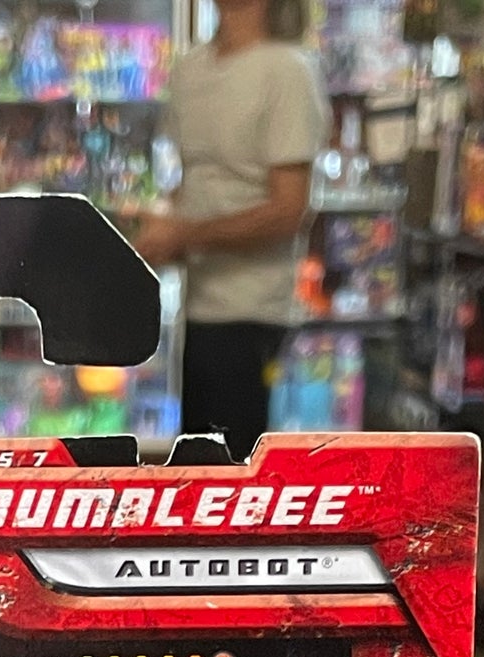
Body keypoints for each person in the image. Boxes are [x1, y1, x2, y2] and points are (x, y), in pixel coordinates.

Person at [137, 0, 331, 459]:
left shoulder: (287, 71)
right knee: (198, 467)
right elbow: (195, 185)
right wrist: (157, 234)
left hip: (255, 311)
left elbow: (289, 211)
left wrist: (182, 235)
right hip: (198, 308)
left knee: (235, 471)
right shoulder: (190, 69)